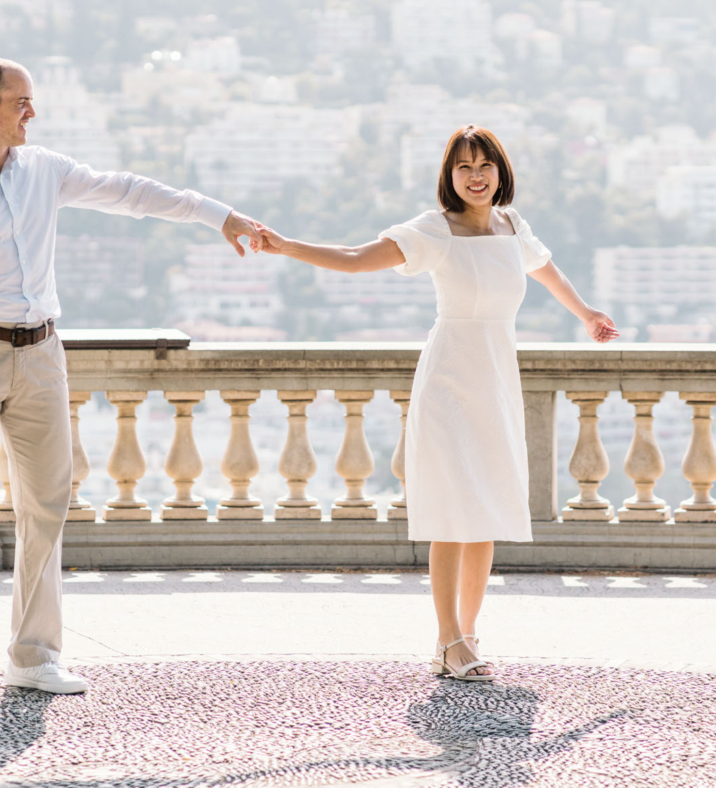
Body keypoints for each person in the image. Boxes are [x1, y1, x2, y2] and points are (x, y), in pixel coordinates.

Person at [0, 57, 263, 697]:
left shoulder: (45, 170)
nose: (32, 113)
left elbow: (130, 192)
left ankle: (34, 656)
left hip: (42, 355)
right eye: (21, 102)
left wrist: (216, 214)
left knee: (47, 503)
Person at [255, 125, 616, 681]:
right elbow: (354, 258)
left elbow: (547, 270)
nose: (476, 177)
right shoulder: (434, 231)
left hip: (496, 376)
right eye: (464, 167)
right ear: (448, 177)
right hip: (450, 377)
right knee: (452, 510)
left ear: (501, 172)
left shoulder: (512, 225)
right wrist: (285, 245)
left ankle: (468, 635)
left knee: (486, 511)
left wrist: (587, 313)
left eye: (485, 166)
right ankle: (447, 638)